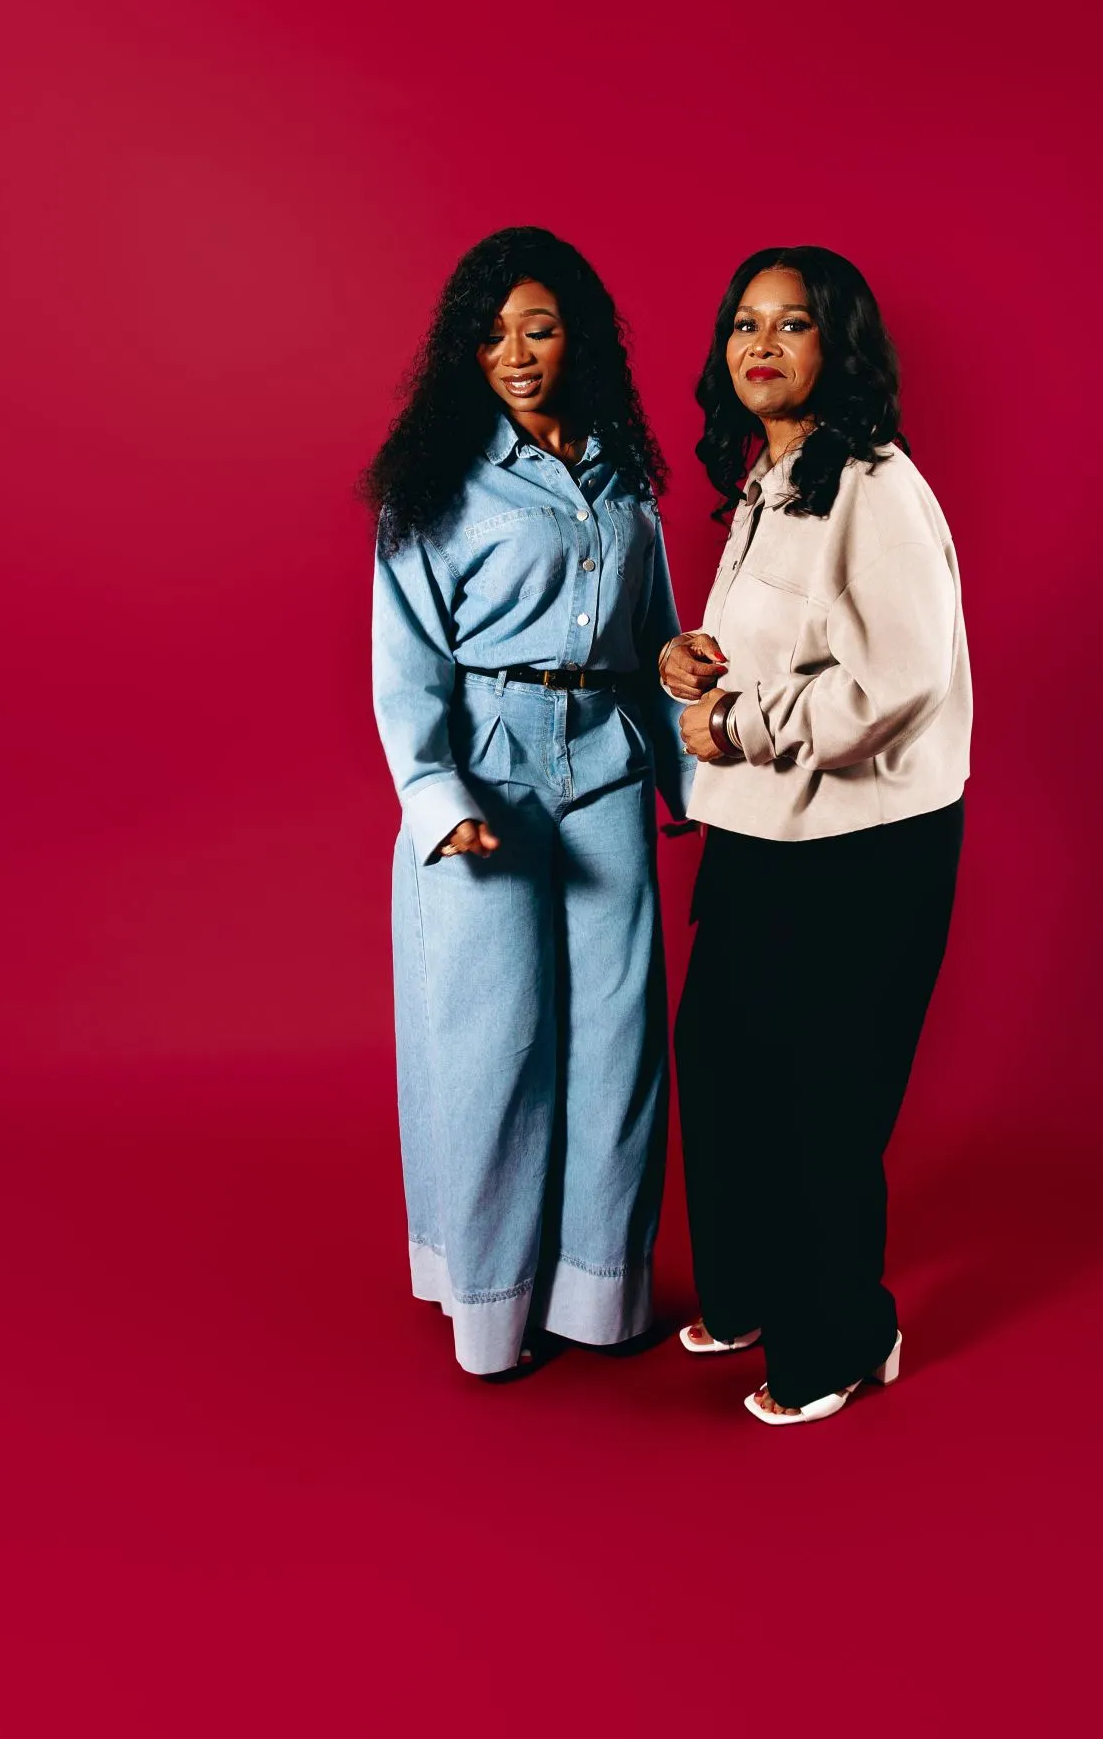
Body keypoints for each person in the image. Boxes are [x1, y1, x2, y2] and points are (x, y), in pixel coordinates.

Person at [364, 226, 692, 1376]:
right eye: (492, 331)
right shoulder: (435, 486)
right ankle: (492, 1309)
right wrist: (436, 793)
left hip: (603, 765)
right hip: (488, 779)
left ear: (579, 337)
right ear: (466, 348)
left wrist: (691, 775)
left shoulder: (623, 478)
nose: (515, 351)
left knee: (617, 1038)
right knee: (493, 1042)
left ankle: (599, 1295)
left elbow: (656, 643)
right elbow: (406, 667)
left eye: (539, 327)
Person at [661, 245, 972, 1425]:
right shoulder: (771, 479)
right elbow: (788, 641)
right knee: (723, 1068)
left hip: (863, 848)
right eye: (745, 322)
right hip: (759, 832)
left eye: (791, 324)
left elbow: (897, 676)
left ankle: (843, 1337)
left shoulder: (878, 484)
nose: (761, 344)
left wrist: (735, 720)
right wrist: (692, 655)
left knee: (820, 1103)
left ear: (838, 347)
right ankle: (748, 1294)